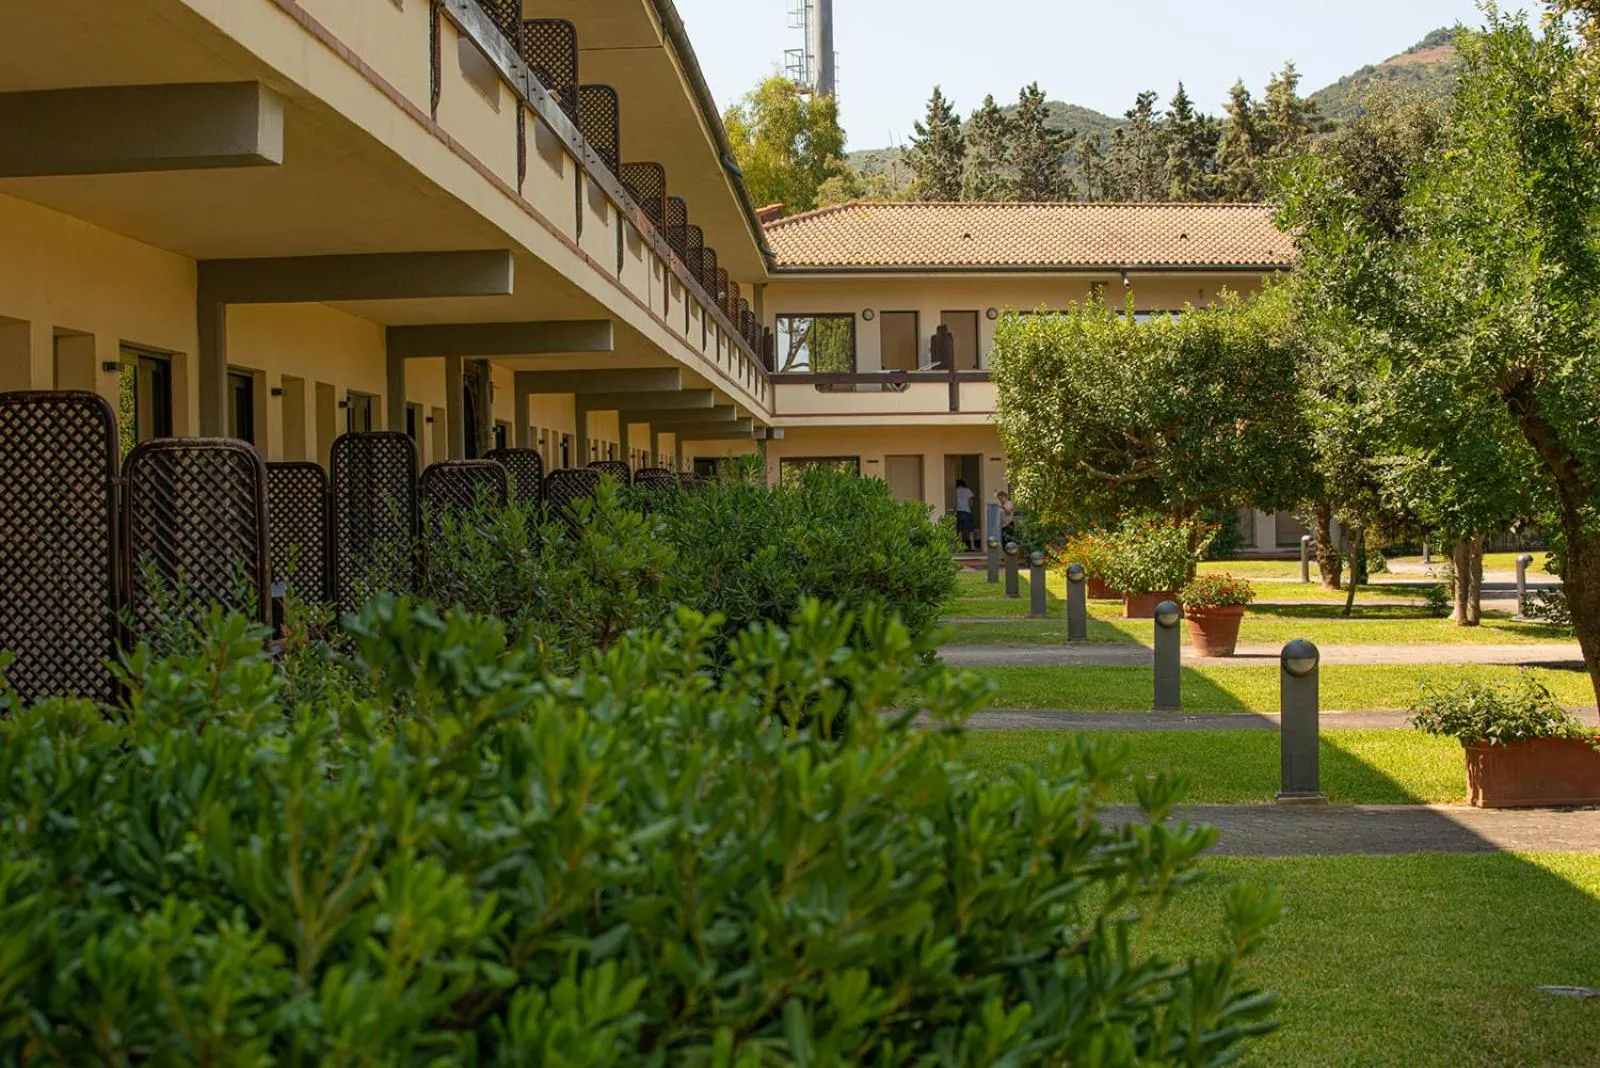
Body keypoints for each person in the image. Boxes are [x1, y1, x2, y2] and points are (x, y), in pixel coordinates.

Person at [954, 478, 977, 551]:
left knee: (960, 530)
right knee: (970, 530)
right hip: (967, 511)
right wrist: (969, 507)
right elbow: (970, 500)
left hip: (959, 511)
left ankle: (960, 547)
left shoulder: (955, 491)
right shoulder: (967, 490)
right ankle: (972, 546)